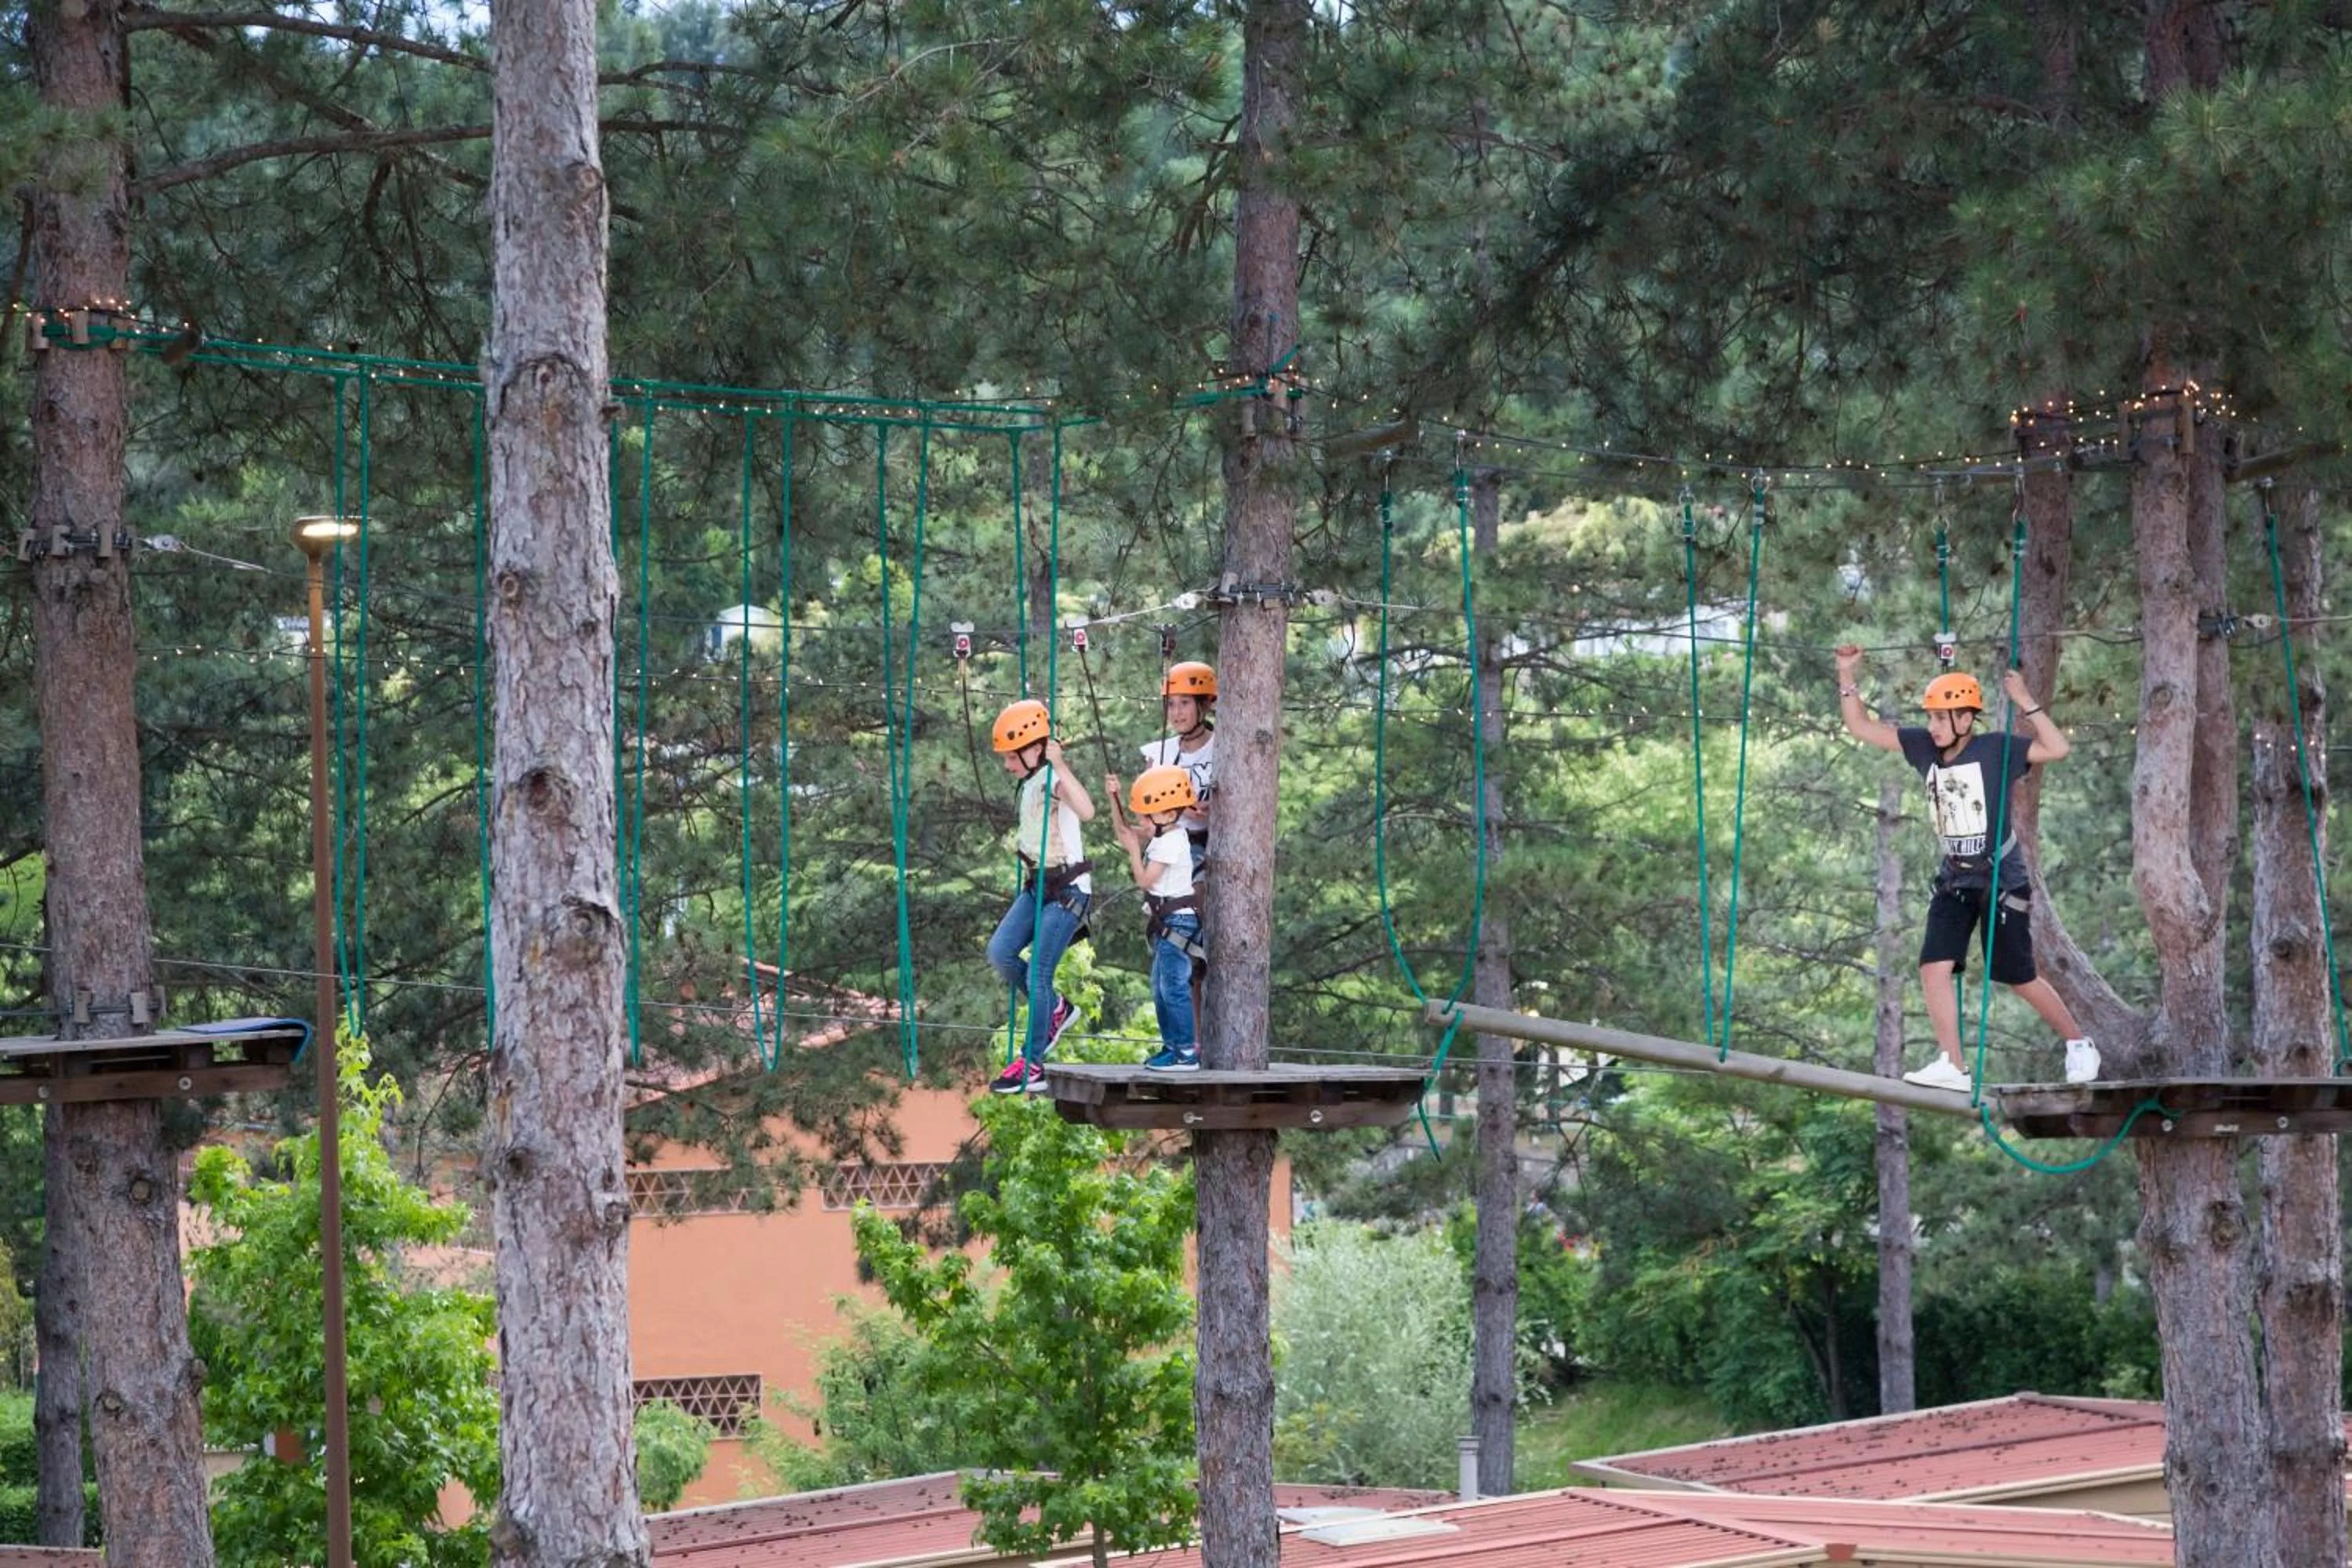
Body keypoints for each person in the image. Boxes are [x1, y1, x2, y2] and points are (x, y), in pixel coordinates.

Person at [1835, 646, 2100, 1091]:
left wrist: (2025, 702)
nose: (1934, 726)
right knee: (1933, 965)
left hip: (2001, 877)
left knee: (2015, 974)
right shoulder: (1922, 746)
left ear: (1966, 719)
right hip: (1956, 877)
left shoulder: (1996, 749)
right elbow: (1859, 725)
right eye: (1932, 717)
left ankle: (2078, 1044)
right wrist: (1847, 674)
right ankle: (1953, 1065)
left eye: (1943, 718)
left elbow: (2058, 748)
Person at [985, 699, 1095, 1095]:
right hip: (1039, 887)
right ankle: (1057, 1009)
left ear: (1034, 749)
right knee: (1000, 953)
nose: (1007, 764)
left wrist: (1060, 764)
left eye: (1011, 756)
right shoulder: (1030, 781)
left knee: (1038, 974)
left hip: (1068, 891)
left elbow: (1087, 811)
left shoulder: (1052, 778)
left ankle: (1033, 1063)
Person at [1108, 765, 1207, 1072]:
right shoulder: (1164, 834)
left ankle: (1186, 1052)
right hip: (1169, 923)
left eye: (1145, 817)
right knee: (1160, 988)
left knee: (1173, 987)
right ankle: (1172, 1047)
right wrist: (1114, 798)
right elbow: (1125, 832)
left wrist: (1134, 853)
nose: (1141, 823)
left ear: (1165, 815)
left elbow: (1145, 880)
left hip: (1177, 922)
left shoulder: (1171, 842)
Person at [1138, 661, 1215, 878]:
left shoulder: (1223, 750)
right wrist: (1178, 807)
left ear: (1204, 705)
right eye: (1171, 704)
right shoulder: (1160, 753)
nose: (1176, 713)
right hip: (1170, 841)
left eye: (1184, 703)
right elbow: (1144, 807)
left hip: (1209, 840)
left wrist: (1215, 806)